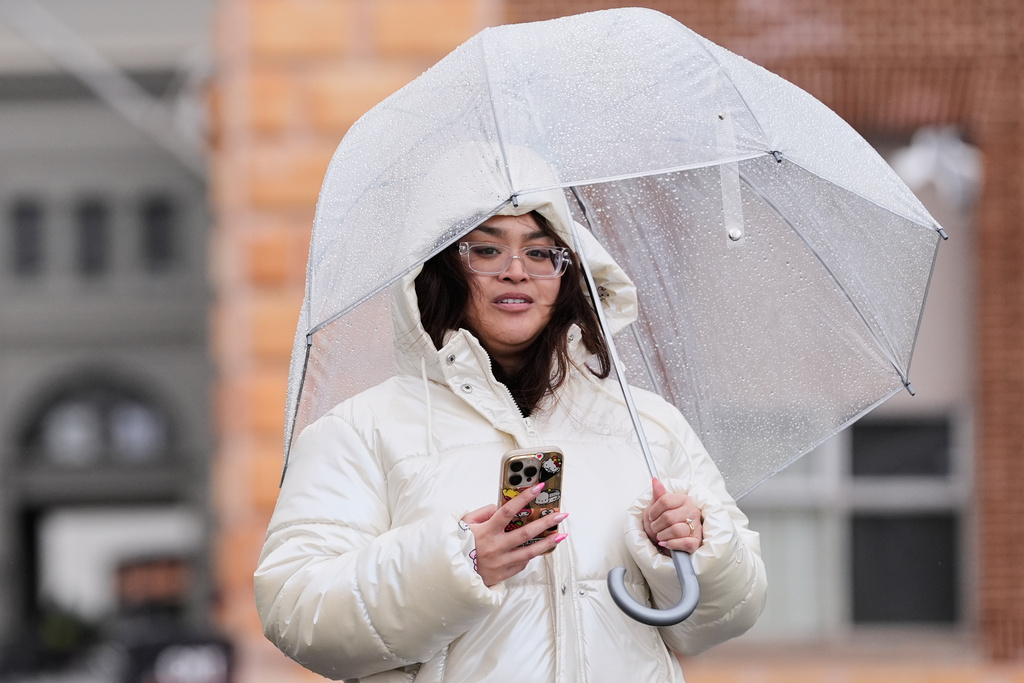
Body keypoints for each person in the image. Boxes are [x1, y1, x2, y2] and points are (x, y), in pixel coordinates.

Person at [254, 191, 767, 682]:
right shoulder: (361, 430)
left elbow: (724, 617)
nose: (516, 270)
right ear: (441, 266)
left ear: (570, 273)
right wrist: (457, 564)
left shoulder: (646, 423)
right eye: (487, 249)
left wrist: (694, 548)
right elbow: (297, 611)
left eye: (541, 252)